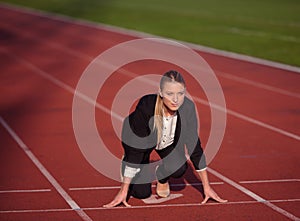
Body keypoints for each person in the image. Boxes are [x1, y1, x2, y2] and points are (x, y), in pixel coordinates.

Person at [104, 70, 227, 208]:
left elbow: (194, 146)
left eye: (180, 94)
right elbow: (136, 148)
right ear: (161, 93)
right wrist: (123, 190)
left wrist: (207, 187)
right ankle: (126, 163)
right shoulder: (146, 107)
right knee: (141, 193)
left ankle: (162, 177)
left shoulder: (187, 108)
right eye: (170, 94)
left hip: (167, 140)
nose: (175, 99)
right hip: (140, 141)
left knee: (179, 168)